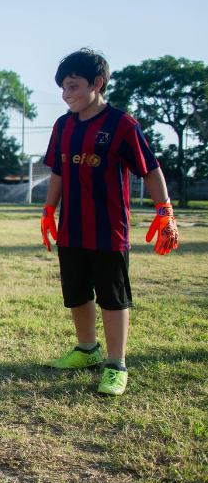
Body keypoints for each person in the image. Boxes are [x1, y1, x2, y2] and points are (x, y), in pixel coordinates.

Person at [41, 48, 178, 397]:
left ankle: (116, 364)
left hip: (109, 230)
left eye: (73, 86)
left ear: (97, 83)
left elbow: (150, 168)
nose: (66, 95)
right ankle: (87, 351)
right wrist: (47, 211)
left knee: (112, 297)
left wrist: (165, 210)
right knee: (75, 293)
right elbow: (58, 170)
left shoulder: (121, 124)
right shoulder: (62, 125)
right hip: (71, 228)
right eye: (63, 88)